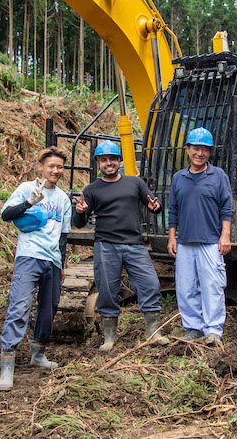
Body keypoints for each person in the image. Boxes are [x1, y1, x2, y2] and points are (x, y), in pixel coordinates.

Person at [72, 140, 169, 351]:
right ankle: (109, 337)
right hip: (106, 246)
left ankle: (154, 332)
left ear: (119, 161)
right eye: (104, 160)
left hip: (134, 244)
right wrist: (80, 212)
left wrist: (156, 207)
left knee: (150, 284)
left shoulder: (135, 182)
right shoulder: (91, 190)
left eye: (112, 159)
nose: (109, 163)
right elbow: (78, 223)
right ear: (98, 162)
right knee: (107, 290)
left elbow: (154, 206)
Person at [0, 146, 72, 391]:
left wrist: (61, 263)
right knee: (19, 307)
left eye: (59, 167)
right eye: (51, 166)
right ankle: (7, 367)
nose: (56, 170)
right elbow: (6, 214)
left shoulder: (63, 198)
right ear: (40, 167)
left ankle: (38, 354)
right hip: (29, 258)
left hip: (53, 261)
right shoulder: (26, 189)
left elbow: (63, 236)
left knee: (48, 311)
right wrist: (29, 202)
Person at [167, 127, 233, 345]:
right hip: (185, 242)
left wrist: (225, 236)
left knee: (212, 286)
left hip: (211, 241)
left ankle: (213, 330)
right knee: (185, 288)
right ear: (187, 150)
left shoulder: (218, 176)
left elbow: (226, 207)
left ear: (209, 152)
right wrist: (172, 237)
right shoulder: (178, 178)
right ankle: (193, 328)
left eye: (205, 149)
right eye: (196, 148)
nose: (200, 153)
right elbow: (173, 209)